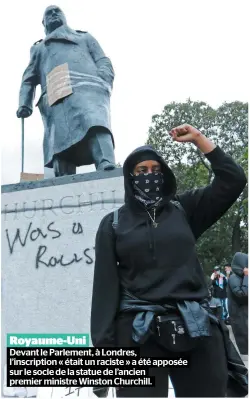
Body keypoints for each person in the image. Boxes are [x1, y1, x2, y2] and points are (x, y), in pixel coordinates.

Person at [91, 124, 247, 397]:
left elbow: (233, 180)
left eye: (156, 170)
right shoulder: (113, 224)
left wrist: (199, 139)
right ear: (130, 177)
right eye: (141, 171)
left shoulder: (184, 210)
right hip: (137, 334)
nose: (149, 175)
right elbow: (104, 292)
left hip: (195, 326)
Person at [17, 5, 115, 176]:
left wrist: (103, 79)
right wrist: (24, 103)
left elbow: (102, 60)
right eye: (49, 13)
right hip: (56, 91)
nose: (54, 14)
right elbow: (28, 78)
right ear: (43, 22)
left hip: (89, 86)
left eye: (57, 11)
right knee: (59, 140)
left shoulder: (84, 37)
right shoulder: (40, 49)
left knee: (95, 122)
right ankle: (63, 178)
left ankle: (106, 163)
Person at [228, 252, 248, 356]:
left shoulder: (242, 277)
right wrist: (247, 277)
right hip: (240, 316)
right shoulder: (234, 278)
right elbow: (243, 295)